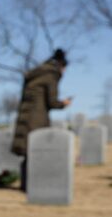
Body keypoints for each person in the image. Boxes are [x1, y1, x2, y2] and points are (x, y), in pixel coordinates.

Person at [11, 48, 72, 191]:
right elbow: (52, 102)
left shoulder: (36, 73)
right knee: (37, 150)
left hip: (25, 115)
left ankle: (26, 184)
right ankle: (34, 185)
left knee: (28, 152)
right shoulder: (51, 75)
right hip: (37, 118)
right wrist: (64, 103)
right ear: (62, 66)